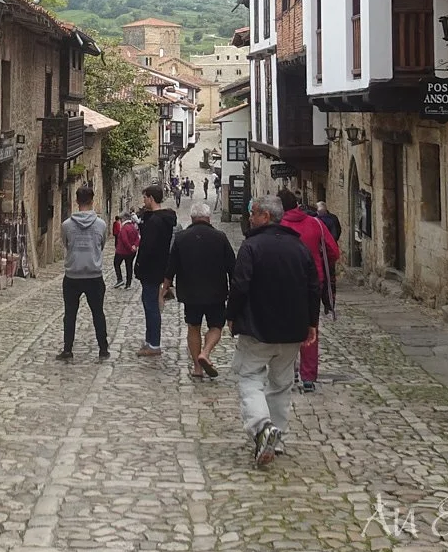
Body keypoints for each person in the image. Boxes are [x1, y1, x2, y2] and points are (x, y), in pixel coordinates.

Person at [226, 194, 319, 467]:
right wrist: (311, 323)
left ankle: (262, 427)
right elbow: (313, 287)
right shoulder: (299, 247)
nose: (250, 217)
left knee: (250, 377)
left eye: (254, 213)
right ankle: (276, 438)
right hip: (292, 330)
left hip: (258, 328)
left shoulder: (251, 247)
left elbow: (240, 285)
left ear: (265, 216)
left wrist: (231, 316)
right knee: (281, 384)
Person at [163, 201, 235, 379]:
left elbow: (171, 266)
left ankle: (197, 367)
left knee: (193, 327)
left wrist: (165, 287)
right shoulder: (220, 237)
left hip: (190, 292)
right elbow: (232, 267)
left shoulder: (181, 238)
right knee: (216, 327)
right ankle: (206, 352)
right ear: (208, 217)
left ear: (192, 218)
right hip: (216, 292)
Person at [279, 188, 339, 392]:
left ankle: (288, 370)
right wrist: (319, 263)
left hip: (283, 283)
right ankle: (308, 376)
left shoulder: (278, 226)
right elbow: (333, 252)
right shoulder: (316, 224)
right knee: (310, 328)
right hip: (312, 283)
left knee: (284, 327)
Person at [56, 186, 109, 362]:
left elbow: (66, 244)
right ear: (92, 201)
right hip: (94, 275)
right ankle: (103, 349)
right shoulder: (101, 225)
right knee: (98, 313)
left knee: (70, 314)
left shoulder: (66, 225)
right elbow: (101, 244)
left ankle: (67, 349)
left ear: (76, 201)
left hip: (73, 275)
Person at [133, 184, 177, 356]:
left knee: (151, 305)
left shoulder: (155, 222)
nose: (143, 200)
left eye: (145, 197)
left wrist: (139, 265)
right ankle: (149, 339)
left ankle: (154, 344)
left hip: (151, 269)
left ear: (151, 198)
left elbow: (147, 247)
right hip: (159, 266)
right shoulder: (162, 219)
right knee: (149, 303)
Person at [113, 210, 139, 288]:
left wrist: (130, 247)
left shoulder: (124, 228)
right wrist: (135, 246)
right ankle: (128, 283)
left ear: (124, 219)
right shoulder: (133, 227)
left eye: (121, 219)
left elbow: (125, 240)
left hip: (122, 251)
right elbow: (138, 238)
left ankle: (120, 279)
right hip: (132, 252)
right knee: (129, 266)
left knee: (116, 263)